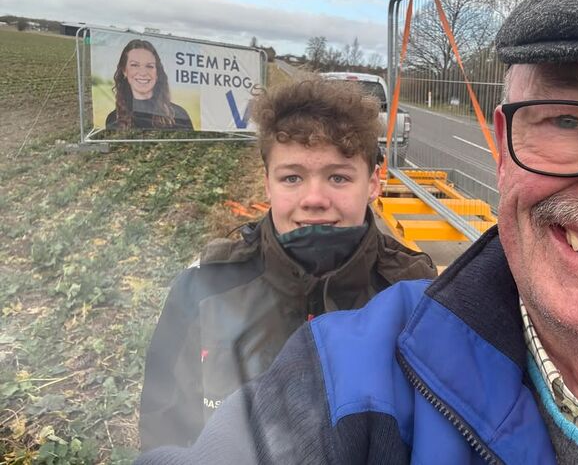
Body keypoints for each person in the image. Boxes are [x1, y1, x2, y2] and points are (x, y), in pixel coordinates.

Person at [137, 0, 578, 463]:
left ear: (374, 181)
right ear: (502, 149)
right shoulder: (343, 367)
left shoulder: (406, 278)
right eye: (568, 121)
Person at [138, 78, 437, 450]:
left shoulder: (415, 295)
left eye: (338, 177)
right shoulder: (204, 290)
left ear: (374, 182)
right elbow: (162, 429)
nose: (314, 198)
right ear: (267, 184)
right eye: (292, 177)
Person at [106, 39, 193, 130]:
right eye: (135, 65)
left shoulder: (179, 115)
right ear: (124, 71)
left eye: (149, 66)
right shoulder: (114, 119)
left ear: (157, 72)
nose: (143, 73)